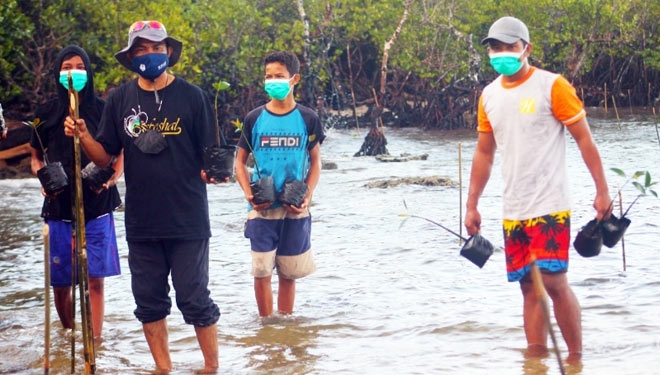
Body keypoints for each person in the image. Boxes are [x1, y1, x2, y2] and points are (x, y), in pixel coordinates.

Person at [64, 21, 221, 373]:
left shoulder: (193, 96)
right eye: (141, 50)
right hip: (142, 222)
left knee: (194, 298)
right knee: (148, 302)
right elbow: (105, 157)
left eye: (156, 48)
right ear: (131, 57)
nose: (149, 55)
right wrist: (84, 135)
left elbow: (209, 154)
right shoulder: (120, 99)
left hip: (188, 219)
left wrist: (216, 171)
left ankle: (211, 368)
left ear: (168, 52)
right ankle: (162, 368)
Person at [464, 16, 611, 363]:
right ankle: (536, 362)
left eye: (509, 47)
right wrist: (472, 204)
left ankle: (575, 361)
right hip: (513, 208)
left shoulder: (552, 86)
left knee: (554, 283)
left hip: (550, 205)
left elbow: (585, 140)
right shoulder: (489, 95)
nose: (501, 54)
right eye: (495, 48)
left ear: (526, 48)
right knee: (528, 287)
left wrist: (601, 191)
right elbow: (484, 153)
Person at [29, 45, 123, 341]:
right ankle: (69, 335)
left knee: (96, 279)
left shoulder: (103, 109)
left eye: (79, 66)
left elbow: (119, 153)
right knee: (61, 283)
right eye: (67, 67)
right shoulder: (45, 114)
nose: (73, 73)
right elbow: (35, 157)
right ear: (58, 73)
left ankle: (94, 343)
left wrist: (111, 179)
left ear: (89, 71)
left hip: (97, 203)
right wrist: (42, 179)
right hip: (58, 206)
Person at [235, 51, 324, 318]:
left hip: (295, 207)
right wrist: (249, 194)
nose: (273, 81)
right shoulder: (254, 119)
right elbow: (239, 163)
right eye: (268, 76)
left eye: (279, 76)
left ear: (294, 79)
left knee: (289, 273)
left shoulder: (308, 119)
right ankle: (266, 328)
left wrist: (307, 195)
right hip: (261, 207)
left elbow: (316, 162)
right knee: (261, 272)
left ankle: (284, 327)